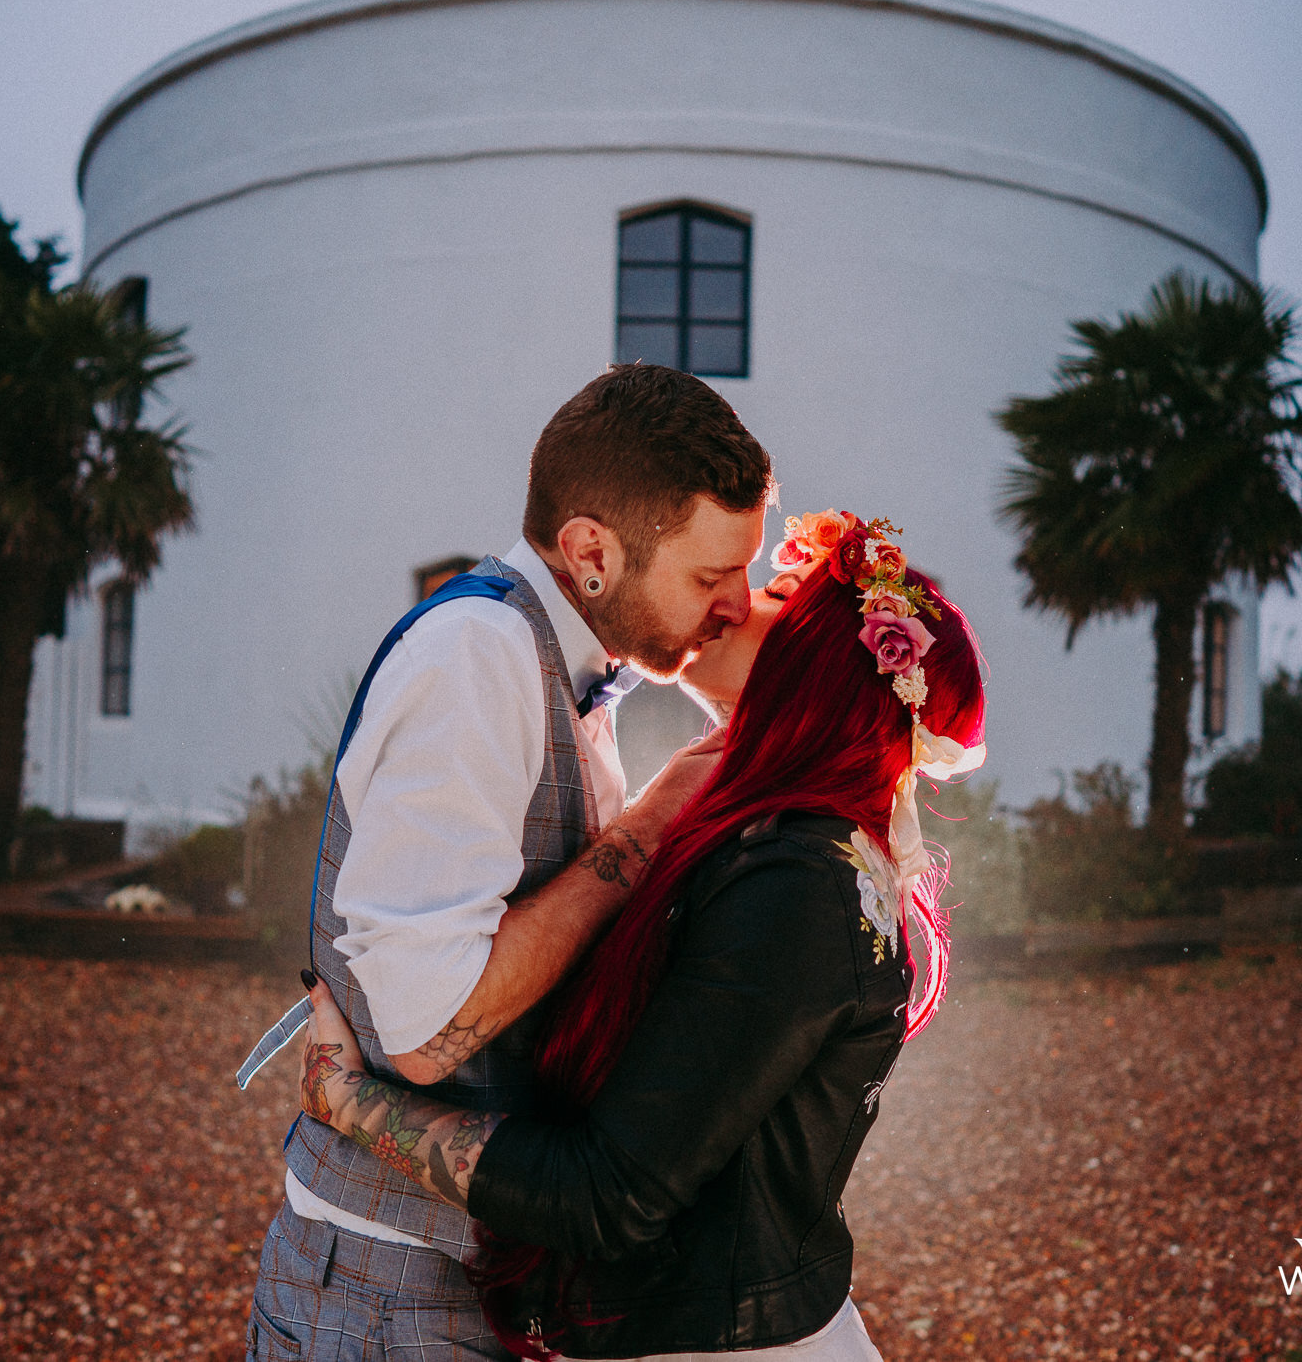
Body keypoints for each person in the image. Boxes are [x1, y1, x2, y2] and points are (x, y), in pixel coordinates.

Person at [295, 510, 988, 1360]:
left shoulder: (795, 884)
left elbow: (606, 1193)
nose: (735, 600)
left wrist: (351, 1102)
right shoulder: (776, 837)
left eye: (772, 590)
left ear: (821, 663)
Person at [245, 364, 777, 1360]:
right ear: (588, 551)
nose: (734, 605)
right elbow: (429, 1034)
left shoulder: (566, 664)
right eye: (710, 576)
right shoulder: (477, 655)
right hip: (391, 1289)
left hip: (469, 1273)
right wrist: (651, 822)